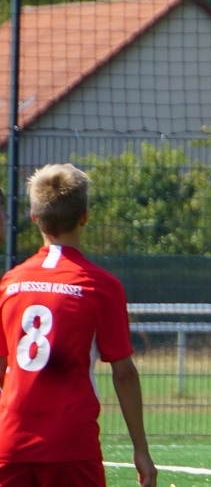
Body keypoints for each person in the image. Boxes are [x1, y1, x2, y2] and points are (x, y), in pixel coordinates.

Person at [0, 163, 157, 487]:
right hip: (70, 444)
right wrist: (141, 449)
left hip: (11, 443)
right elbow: (123, 372)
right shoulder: (101, 285)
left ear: (35, 219)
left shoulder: (9, 283)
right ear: (84, 216)